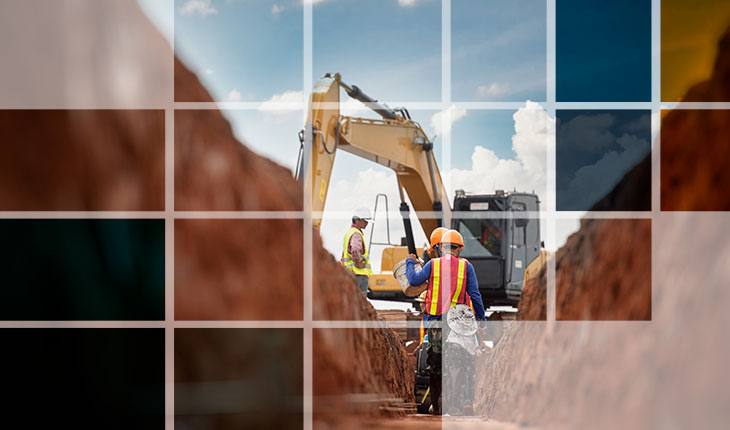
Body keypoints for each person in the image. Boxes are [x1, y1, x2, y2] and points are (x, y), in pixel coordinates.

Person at [404, 230, 485, 415]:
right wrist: (481, 320)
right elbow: (475, 295)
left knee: (436, 365)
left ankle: (437, 406)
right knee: (456, 363)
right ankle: (454, 407)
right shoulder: (467, 267)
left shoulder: (433, 264)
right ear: (460, 248)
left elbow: (413, 280)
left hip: (436, 323)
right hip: (459, 323)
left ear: (441, 247)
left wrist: (410, 262)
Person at [341, 207, 373, 294]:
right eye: (364, 220)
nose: (367, 223)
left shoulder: (349, 232)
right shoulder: (356, 234)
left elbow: (344, 254)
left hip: (350, 274)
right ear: (357, 220)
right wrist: (358, 262)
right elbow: (355, 249)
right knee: (360, 303)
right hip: (359, 275)